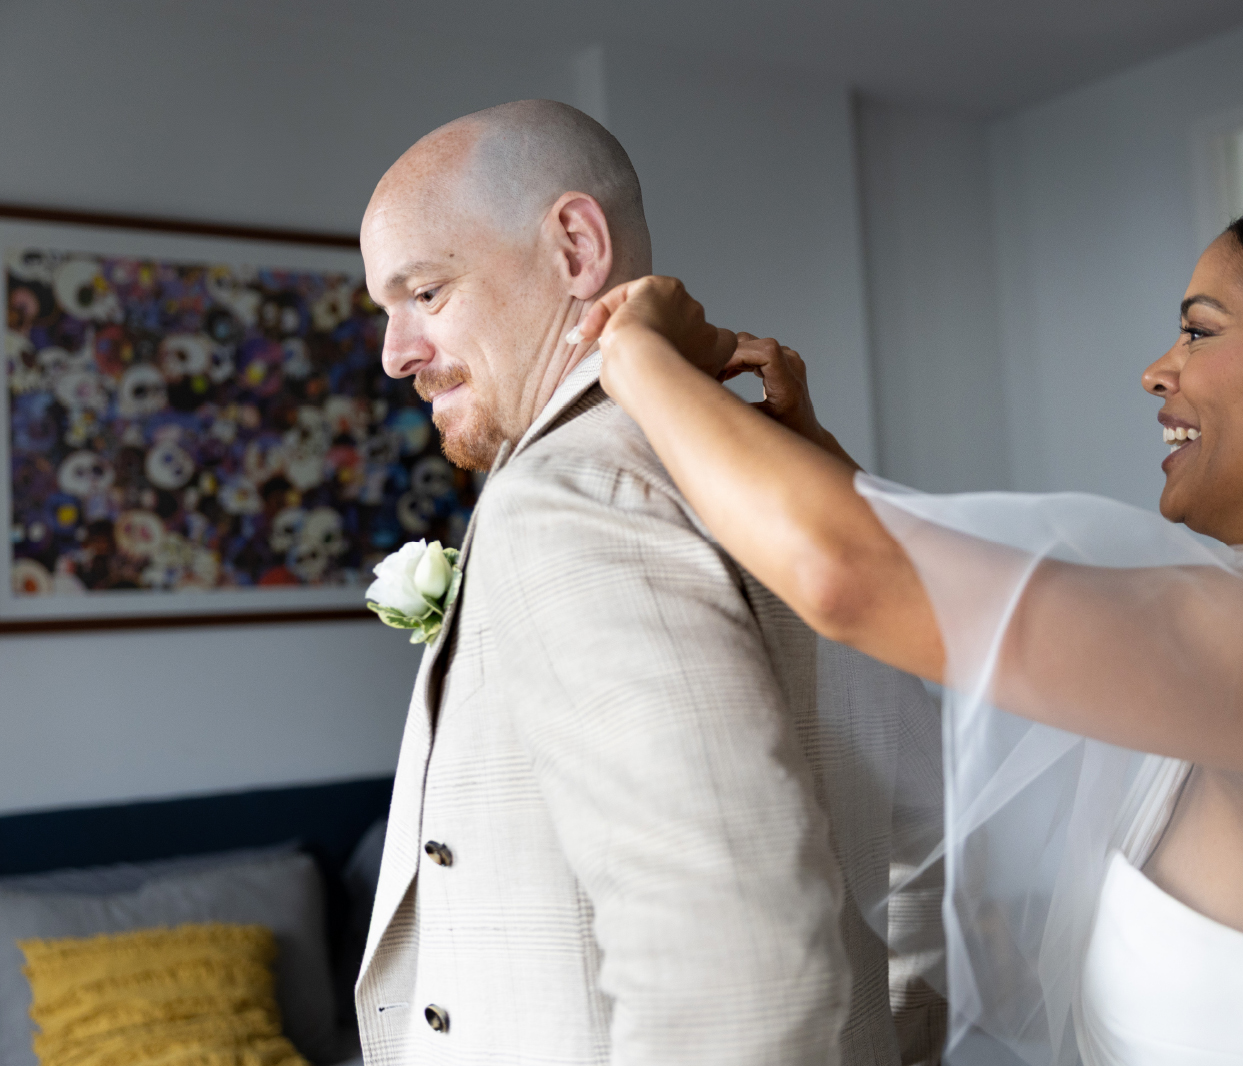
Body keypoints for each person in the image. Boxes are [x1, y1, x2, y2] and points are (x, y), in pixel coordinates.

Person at [577, 189, 1243, 1065]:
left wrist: (629, 350)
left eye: (1198, 329)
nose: (1159, 371)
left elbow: (849, 578)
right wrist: (821, 459)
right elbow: (936, 592)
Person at [354, 99, 943, 1066]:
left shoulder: (567, 491)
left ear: (577, 247)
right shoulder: (769, 470)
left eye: (426, 294)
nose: (395, 355)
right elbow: (932, 845)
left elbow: (734, 951)